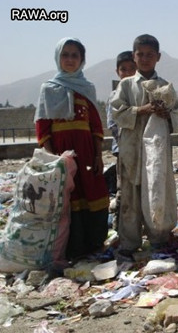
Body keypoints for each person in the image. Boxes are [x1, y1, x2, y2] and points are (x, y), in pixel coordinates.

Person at [35, 37, 110, 261]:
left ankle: (93, 243)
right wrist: (51, 158)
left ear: (82, 60)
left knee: (93, 192)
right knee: (67, 197)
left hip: (86, 153)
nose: (69, 59)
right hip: (61, 154)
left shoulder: (87, 88)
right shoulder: (48, 89)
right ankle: (71, 248)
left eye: (74, 55)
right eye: (65, 55)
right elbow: (43, 126)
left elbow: (96, 126)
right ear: (58, 58)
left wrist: (98, 155)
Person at [111, 34, 178, 260]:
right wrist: (141, 110)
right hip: (131, 149)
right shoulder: (125, 85)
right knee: (130, 195)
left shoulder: (166, 87)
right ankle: (129, 242)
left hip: (156, 150)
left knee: (156, 190)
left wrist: (166, 115)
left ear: (158, 57)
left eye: (150, 55)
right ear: (134, 56)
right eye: (140, 54)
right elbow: (116, 113)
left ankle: (158, 238)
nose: (145, 59)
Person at [105, 51, 136, 229]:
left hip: (141, 149)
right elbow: (113, 124)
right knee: (123, 188)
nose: (128, 72)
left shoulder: (141, 92)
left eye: (132, 68)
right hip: (123, 150)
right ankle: (120, 226)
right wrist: (127, 143)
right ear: (117, 72)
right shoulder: (115, 96)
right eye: (123, 69)